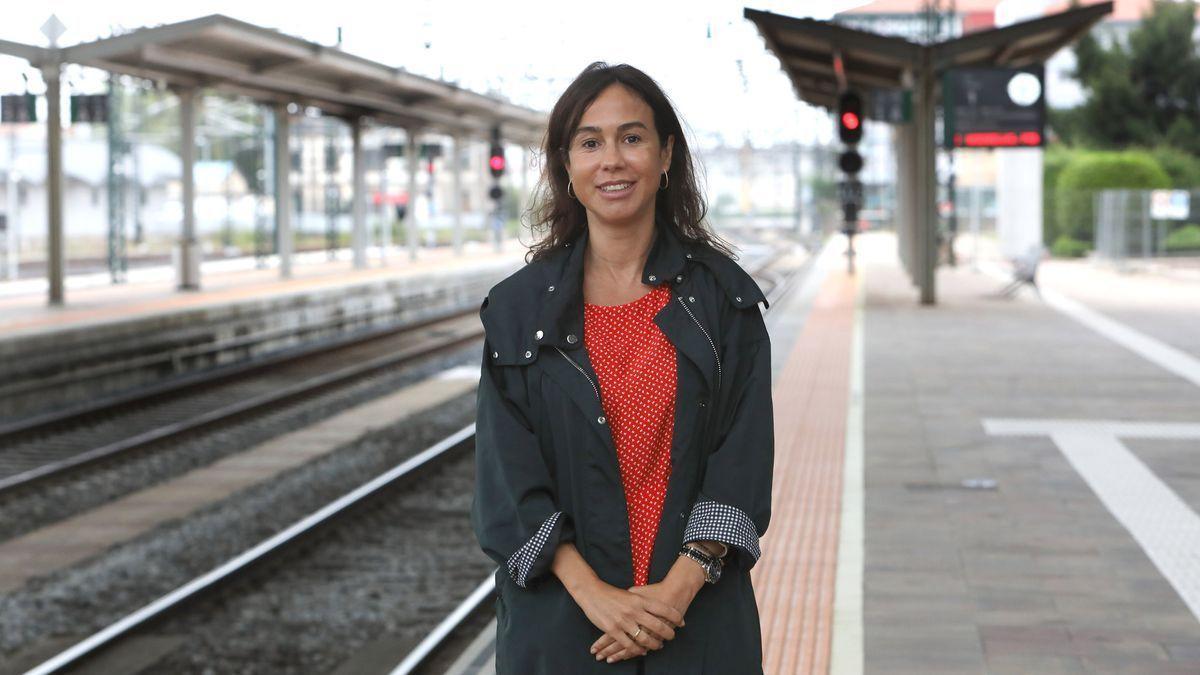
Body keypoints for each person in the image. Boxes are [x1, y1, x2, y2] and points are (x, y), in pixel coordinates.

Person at [472, 62, 774, 674]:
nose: (612, 159)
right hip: (564, 633)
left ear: (666, 156)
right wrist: (598, 598)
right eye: (590, 142)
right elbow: (506, 477)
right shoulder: (516, 310)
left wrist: (674, 593)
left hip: (697, 625)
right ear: (565, 165)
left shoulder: (724, 303)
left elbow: (741, 462)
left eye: (632, 138)